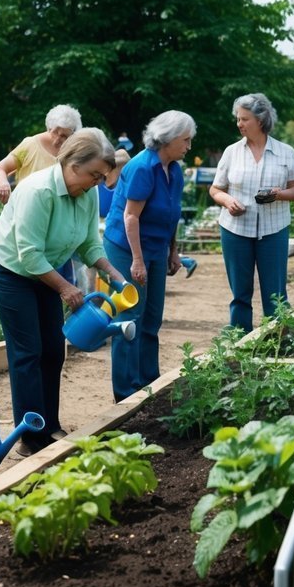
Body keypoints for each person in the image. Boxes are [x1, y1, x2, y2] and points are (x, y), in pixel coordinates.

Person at [0, 128, 127, 455]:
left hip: (44, 269)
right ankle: (30, 437)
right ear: (72, 164)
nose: (97, 183)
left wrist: (113, 272)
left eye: (101, 177)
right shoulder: (38, 191)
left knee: (53, 347)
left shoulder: (87, 192)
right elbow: (28, 254)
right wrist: (65, 286)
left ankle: (49, 424)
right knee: (28, 350)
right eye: (93, 175)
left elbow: (89, 243)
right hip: (11, 269)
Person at [103, 111, 195, 401]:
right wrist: (138, 260)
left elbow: (171, 216)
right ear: (167, 139)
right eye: (186, 140)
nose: (189, 147)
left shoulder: (175, 170)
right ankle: (125, 392)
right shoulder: (143, 167)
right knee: (130, 318)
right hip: (126, 248)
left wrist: (173, 251)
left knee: (152, 318)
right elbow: (131, 217)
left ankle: (147, 383)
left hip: (155, 247)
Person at [209, 93, 294, 333]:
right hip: (235, 228)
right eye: (238, 119)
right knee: (240, 291)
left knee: (276, 291)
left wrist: (278, 194)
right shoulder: (232, 152)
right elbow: (216, 189)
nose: (239, 124)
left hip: (274, 228)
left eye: (244, 119)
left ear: (260, 120)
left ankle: (278, 337)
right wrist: (228, 201)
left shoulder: (285, 152)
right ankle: (239, 338)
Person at [0, 104, 83, 204]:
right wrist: (3, 183)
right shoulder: (30, 145)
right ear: (49, 128)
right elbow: (1, 167)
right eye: (55, 132)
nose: (57, 139)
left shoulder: (73, 154)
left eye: (64, 136)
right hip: (26, 206)